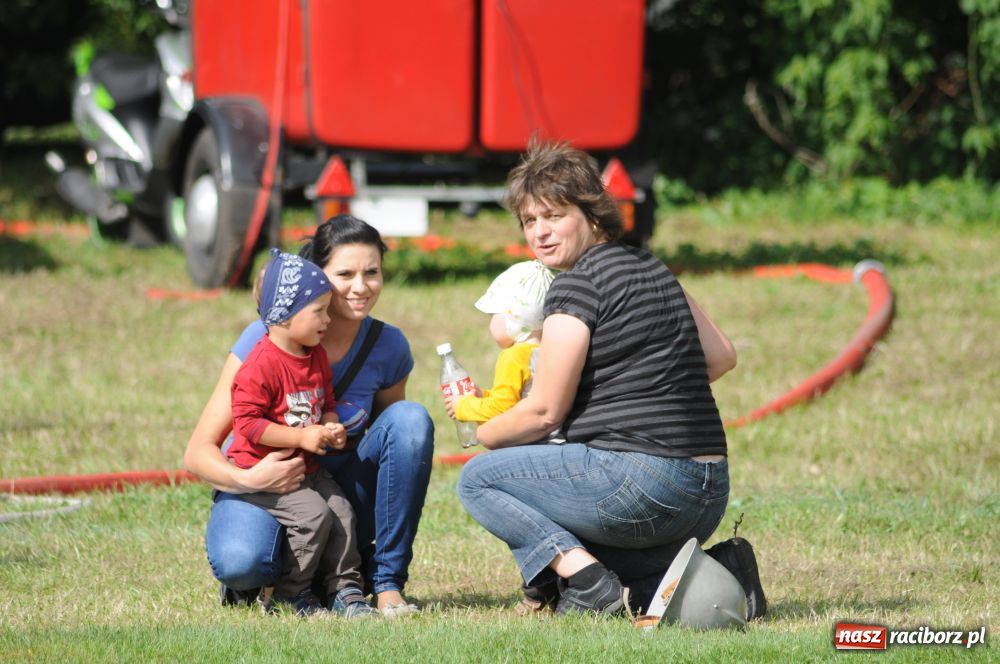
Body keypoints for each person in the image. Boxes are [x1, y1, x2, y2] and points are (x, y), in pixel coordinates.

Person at [455, 140, 767, 620]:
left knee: (478, 480)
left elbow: (544, 412)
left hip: (643, 484)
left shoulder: (577, 286)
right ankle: (720, 571)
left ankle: (587, 583)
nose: (540, 232)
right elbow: (722, 357)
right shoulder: (654, 267)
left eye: (554, 216)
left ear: (593, 215)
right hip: (708, 490)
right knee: (572, 514)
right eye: (529, 221)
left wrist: (486, 432)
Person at [184, 215, 434, 618]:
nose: (361, 286)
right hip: (265, 484)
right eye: (345, 274)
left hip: (333, 486)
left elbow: (396, 445)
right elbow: (198, 452)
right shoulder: (265, 338)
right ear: (316, 276)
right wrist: (250, 479)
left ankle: (385, 583)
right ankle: (275, 580)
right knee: (241, 562)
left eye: (372, 272)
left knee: (411, 420)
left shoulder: (388, 345)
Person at [227, 249, 375, 617]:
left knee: (342, 512)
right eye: (319, 311)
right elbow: (248, 425)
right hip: (265, 470)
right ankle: (289, 596)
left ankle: (345, 590)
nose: (328, 319)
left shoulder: (315, 354)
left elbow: (326, 400)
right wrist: (301, 438)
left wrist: (330, 424)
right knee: (313, 517)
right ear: (285, 314)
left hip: (306, 466)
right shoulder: (260, 365)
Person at [443, 259, 564, 444]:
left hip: (533, 444)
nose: (491, 323)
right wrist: (483, 396)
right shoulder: (552, 351)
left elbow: (502, 409)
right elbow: (516, 399)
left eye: (493, 316)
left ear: (514, 321)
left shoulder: (514, 357)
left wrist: (463, 406)